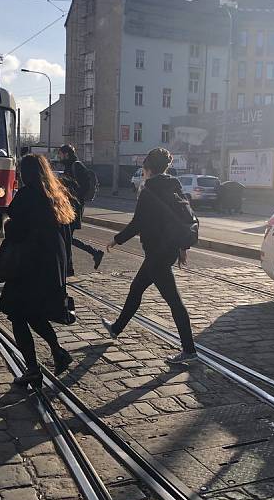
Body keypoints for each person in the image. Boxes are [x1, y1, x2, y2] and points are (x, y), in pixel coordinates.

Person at [101, 147, 198, 365]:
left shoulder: (149, 191)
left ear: (148, 169)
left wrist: (116, 240)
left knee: (174, 301)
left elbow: (137, 223)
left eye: (143, 169)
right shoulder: (175, 186)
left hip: (156, 254)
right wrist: (183, 248)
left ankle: (189, 350)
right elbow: (181, 219)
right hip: (167, 251)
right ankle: (116, 328)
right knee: (136, 288)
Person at [0, 154, 75, 388]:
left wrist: (8, 226)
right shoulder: (54, 195)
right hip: (50, 264)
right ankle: (58, 352)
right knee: (34, 314)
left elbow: (15, 231)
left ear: (25, 173)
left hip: (28, 265)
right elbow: (66, 234)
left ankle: (32, 368)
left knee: (18, 315)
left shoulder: (27, 195)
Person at [57, 144, 104, 274]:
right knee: (67, 237)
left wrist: (72, 197)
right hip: (69, 207)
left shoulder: (76, 166)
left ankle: (70, 268)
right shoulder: (69, 166)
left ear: (66, 154)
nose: (59, 156)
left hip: (74, 207)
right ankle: (92, 254)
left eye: (60, 154)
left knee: (66, 237)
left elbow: (83, 187)